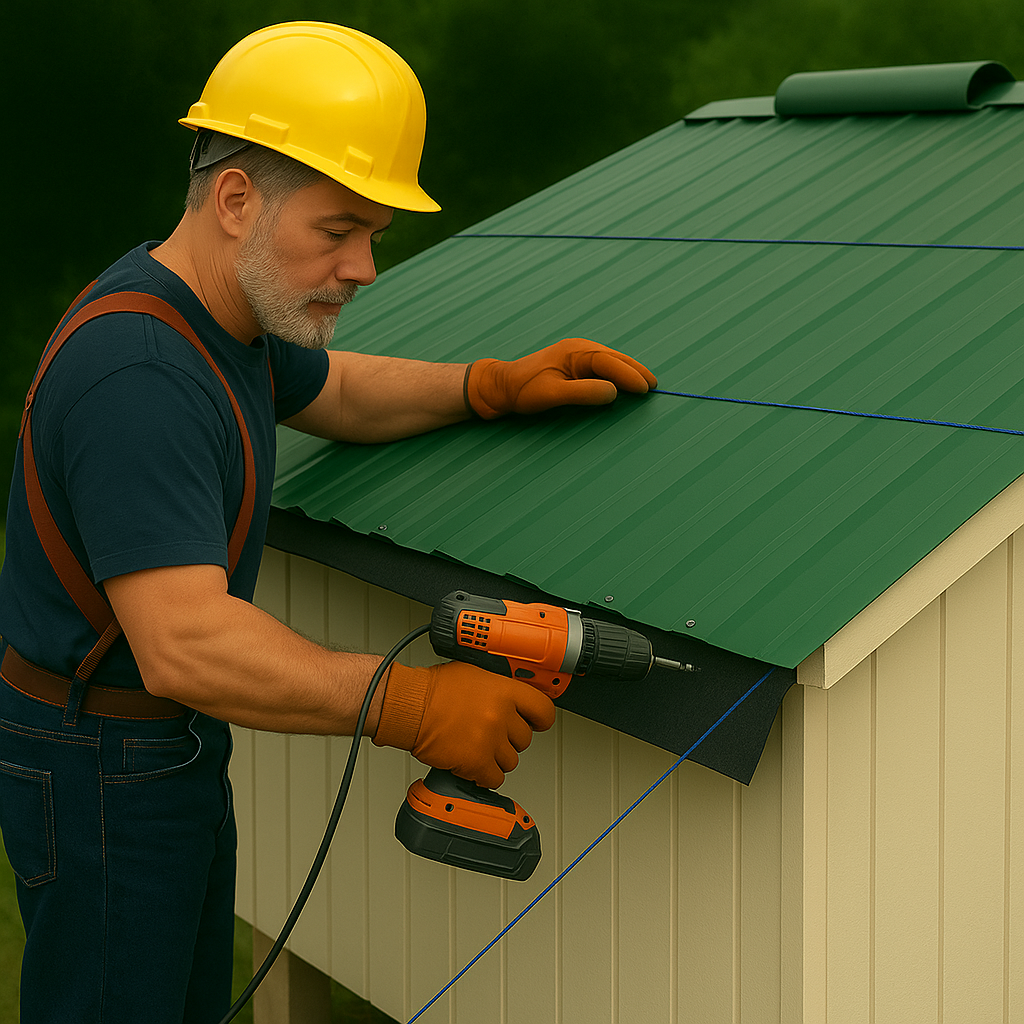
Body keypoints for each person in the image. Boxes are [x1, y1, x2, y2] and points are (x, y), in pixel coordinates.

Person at [0, 21, 657, 1024]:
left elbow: (339, 391)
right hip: (97, 762)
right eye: (338, 230)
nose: (364, 268)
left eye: (373, 237)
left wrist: (486, 387)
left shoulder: (227, 318)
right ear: (235, 200)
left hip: (157, 747)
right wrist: (413, 705)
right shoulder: (139, 375)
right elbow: (184, 642)